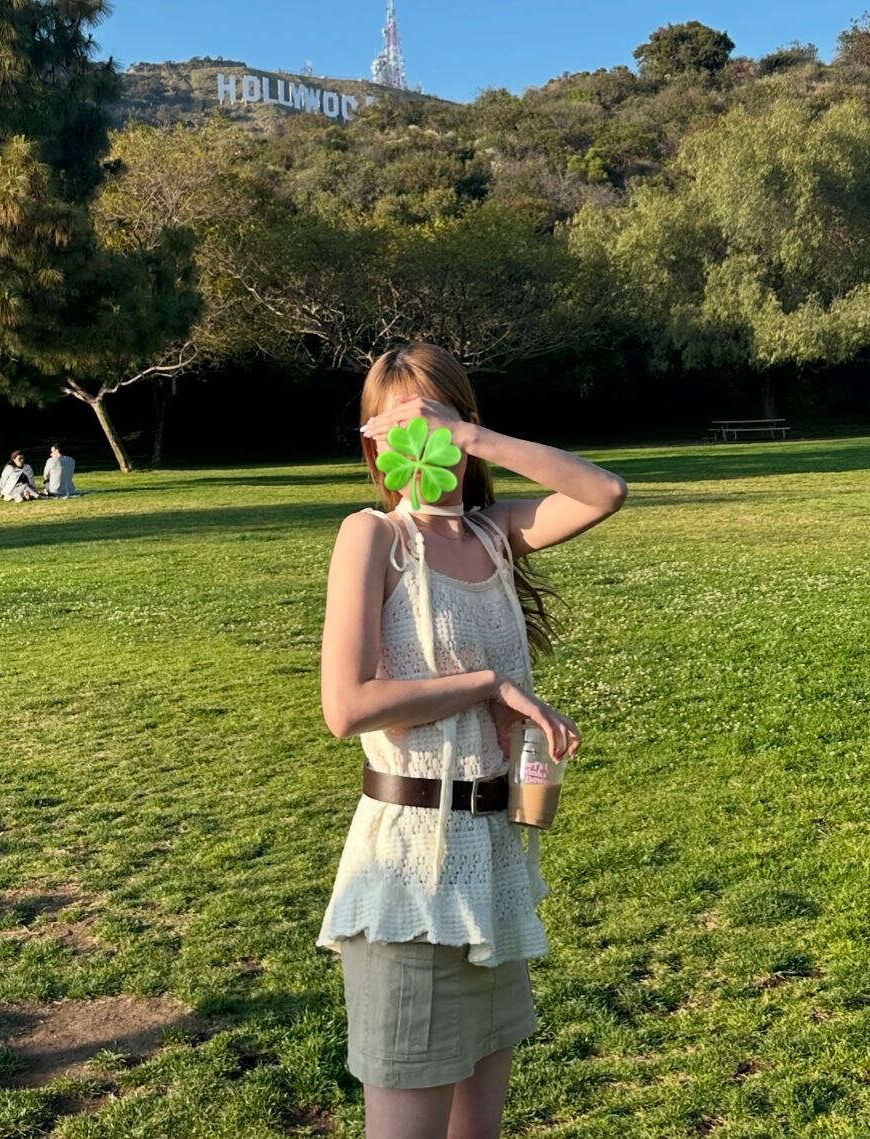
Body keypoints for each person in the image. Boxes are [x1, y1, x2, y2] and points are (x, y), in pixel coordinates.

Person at [317, 343, 628, 1139]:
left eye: (433, 419)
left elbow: (603, 490)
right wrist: (488, 684)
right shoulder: (373, 536)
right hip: (408, 874)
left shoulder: (493, 533)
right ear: (372, 442)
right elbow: (346, 706)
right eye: (395, 425)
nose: (417, 439)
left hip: (489, 864)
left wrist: (475, 439)